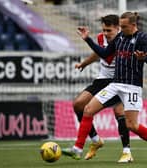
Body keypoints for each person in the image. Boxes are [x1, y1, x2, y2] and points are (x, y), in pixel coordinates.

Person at [62, 11, 147, 161]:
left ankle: (126, 151)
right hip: (114, 84)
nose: (121, 29)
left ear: (133, 25)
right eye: (120, 26)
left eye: (124, 27)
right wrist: (87, 39)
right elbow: (105, 53)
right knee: (87, 109)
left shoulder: (142, 38)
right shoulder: (120, 37)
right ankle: (77, 149)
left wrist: (144, 58)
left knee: (132, 125)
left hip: (132, 87)